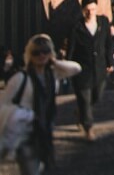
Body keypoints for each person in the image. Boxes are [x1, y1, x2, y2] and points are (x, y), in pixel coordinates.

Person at [0, 34, 82, 174]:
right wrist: (23, 115)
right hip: (24, 133)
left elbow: (76, 68)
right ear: (29, 55)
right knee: (32, 170)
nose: (41, 55)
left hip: (44, 129)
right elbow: (3, 104)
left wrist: (55, 61)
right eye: (36, 52)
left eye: (45, 51)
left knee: (39, 166)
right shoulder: (21, 78)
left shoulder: (52, 74)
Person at [65, 0, 114, 142]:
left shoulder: (103, 23)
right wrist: (68, 67)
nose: (90, 13)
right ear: (83, 10)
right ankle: (88, 129)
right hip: (82, 71)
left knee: (97, 96)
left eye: (93, 9)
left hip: (99, 69)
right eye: (88, 10)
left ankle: (80, 111)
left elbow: (108, 44)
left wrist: (110, 63)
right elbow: (71, 49)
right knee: (85, 99)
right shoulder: (77, 28)